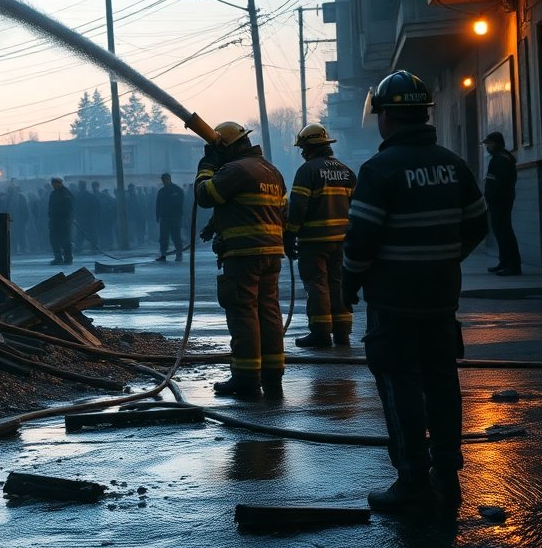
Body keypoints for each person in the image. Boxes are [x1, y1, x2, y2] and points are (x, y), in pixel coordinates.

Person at [342, 70, 488, 513]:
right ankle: (448, 474)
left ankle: (412, 483)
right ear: (423, 112)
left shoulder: (380, 169)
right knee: (442, 382)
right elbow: (478, 224)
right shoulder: (453, 164)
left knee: (399, 383)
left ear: (387, 117)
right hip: (441, 297)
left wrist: (349, 281)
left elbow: (361, 241)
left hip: (393, 301)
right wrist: (442, 259)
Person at [195, 122, 287, 399]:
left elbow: (204, 194)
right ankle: (272, 372)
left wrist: (206, 166)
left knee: (243, 311)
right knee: (268, 311)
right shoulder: (270, 170)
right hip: (271, 251)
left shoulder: (236, 169)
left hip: (244, 254)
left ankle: (246, 377)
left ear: (228, 147)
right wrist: (216, 224)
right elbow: (256, 206)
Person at [284, 124, 356, 349]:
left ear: (309, 147)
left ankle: (321, 333)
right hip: (342, 240)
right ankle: (343, 334)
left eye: (303, 148)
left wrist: (289, 234)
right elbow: (356, 207)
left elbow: (298, 207)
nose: (302, 153)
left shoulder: (307, 171)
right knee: (338, 283)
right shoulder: (346, 171)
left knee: (316, 285)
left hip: (314, 241)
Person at [482, 131, 521, 276]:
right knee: (500, 232)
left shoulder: (501, 159)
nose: (487, 147)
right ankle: (504, 262)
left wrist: (493, 197)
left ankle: (513, 265)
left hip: (501, 201)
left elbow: (501, 183)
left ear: (497, 143)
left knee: (505, 233)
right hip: (498, 201)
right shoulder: (500, 157)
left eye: (489, 144)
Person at [154, 173, 184, 262]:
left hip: (175, 217)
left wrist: (179, 215)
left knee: (176, 236)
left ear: (169, 179)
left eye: (165, 179)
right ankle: (163, 254)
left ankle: (179, 254)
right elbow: (158, 205)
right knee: (163, 237)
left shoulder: (177, 190)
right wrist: (157, 216)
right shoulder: (161, 191)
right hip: (165, 218)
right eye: (163, 180)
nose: (164, 181)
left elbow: (181, 204)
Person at [48, 177, 74, 265]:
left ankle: (68, 257)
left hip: (63, 221)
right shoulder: (54, 193)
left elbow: (69, 207)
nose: (54, 186)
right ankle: (58, 257)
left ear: (59, 183)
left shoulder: (65, 193)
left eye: (55, 184)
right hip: (55, 220)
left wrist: (65, 216)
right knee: (54, 240)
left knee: (65, 240)